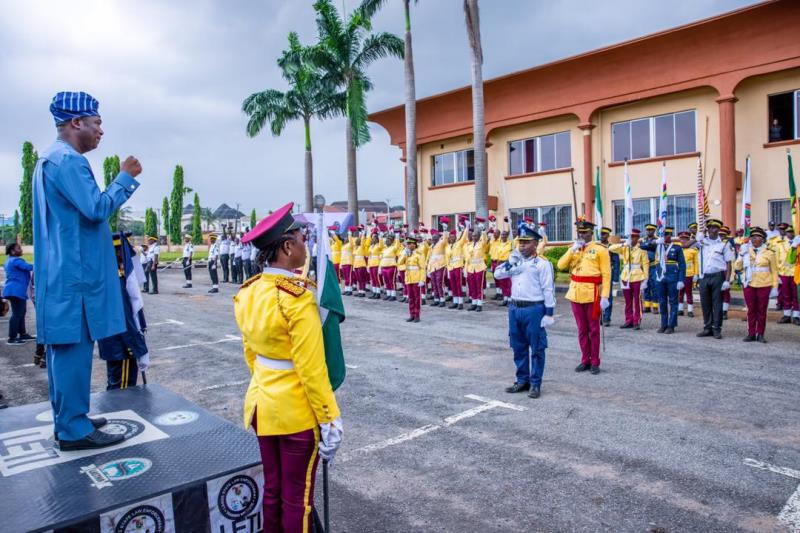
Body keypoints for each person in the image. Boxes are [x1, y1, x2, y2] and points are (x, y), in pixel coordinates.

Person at [33, 91, 142, 450]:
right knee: (72, 352)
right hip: (74, 277)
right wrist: (124, 178)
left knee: (66, 353)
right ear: (76, 123)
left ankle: (70, 416)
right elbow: (96, 209)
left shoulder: (51, 158)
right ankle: (73, 429)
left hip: (63, 273)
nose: (100, 130)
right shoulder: (68, 160)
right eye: (96, 122)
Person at [233, 202, 342, 531]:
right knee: (298, 499)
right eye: (300, 236)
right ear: (286, 246)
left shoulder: (248, 292)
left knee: (274, 490)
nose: (306, 243)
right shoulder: (296, 299)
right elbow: (311, 368)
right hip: (295, 412)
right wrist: (329, 417)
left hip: (262, 406)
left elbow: (251, 354)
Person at [495, 222, 555, 399]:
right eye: (520, 242)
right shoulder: (515, 261)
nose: (521, 245)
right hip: (515, 308)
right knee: (518, 346)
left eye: (526, 242)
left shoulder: (542, 264)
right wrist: (509, 264)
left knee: (537, 348)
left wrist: (549, 313)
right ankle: (522, 380)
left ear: (535, 243)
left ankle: (535, 383)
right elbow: (498, 275)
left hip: (533, 308)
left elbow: (548, 289)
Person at [557, 219, 610, 375]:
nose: (582, 234)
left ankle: (595, 361)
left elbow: (606, 274)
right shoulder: (574, 248)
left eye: (585, 232)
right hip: (575, 293)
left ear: (591, 233)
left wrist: (605, 296)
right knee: (581, 329)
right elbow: (560, 265)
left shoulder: (600, 249)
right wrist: (572, 249)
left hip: (593, 293)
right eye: (580, 232)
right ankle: (585, 359)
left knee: (593, 329)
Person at [98, 233, 149, 389]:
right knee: (123, 389)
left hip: (112, 343)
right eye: (124, 251)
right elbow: (125, 317)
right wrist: (136, 346)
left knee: (114, 384)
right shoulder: (118, 280)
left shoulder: (105, 275)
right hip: (122, 344)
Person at [736, 227, 779, 342]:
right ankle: (751, 333)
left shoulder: (769, 253)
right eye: (753, 237)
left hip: (764, 284)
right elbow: (737, 267)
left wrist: (775, 286)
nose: (755, 239)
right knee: (751, 310)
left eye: (758, 236)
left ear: (763, 239)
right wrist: (740, 255)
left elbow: (774, 270)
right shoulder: (745, 250)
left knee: (762, 310)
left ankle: (760, 333)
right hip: (749, 284)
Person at [695, 219, 734, 339]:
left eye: (715, 228)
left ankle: (717, 329)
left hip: (718, 276)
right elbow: (685, 245)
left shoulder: (724, 244)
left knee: (717, 304)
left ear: (718, 230)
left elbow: (728, 263)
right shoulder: (702, 242)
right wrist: (696, 238)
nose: (713, 230)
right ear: (707, 229)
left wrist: (727, 280)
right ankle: (707, 328)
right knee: (705, 304)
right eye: (711, 228)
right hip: (704, 276)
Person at [609, 228, 649, 330]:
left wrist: (646, 279)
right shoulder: (625, 247)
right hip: (626, 276)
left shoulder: (641, 249)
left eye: (634, 237)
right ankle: (629, 320)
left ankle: (637, 321)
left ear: (638, 238)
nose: (632, 239)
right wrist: (623, 244)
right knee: (628, 301)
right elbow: (611, 248)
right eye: (631, 237)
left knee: (637, 300)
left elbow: (645, 264)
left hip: (637, 276)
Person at [653, 227, 686, 334]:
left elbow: (682, 264)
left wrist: (681, 280)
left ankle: (671, 325)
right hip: (660, 277)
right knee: (662, 302)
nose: (665, 236)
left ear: (670, 235)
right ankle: (663, 324)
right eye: (663, 235)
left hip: (673, 277)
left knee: (673, 302)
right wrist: (655, 241)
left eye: (667, 234)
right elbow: (644, 246)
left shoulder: (677, 247)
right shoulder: (657, 246)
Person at [3, 242, 35, 345]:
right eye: (18, 248)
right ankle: (12, 338)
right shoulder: (16, 261)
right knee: (17, 314)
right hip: (15, 291)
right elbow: (30, 267)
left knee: (21, 313)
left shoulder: (9, 261)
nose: (21, 249)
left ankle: (23, 334)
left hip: (14, 290)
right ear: (12, 251)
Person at [776, 225, 799, 324]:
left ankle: (797, 316)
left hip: (795, 273)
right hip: (784, 273)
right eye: (788, 232)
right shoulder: (780, 244)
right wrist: (777, 274)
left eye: (792, 232)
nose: (790, 234)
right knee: (785, 295)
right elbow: (777, 259)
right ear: (786, 233)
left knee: (796, 295)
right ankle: (786, 315)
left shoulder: (798, 244)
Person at [464, 222, 489, 311]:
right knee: (472, 286)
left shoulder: (481, 244)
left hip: (479, 268)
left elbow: (485, 239)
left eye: (475, 236)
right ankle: (473, 303)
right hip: (471, 268)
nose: (474, 237)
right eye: (473, 236)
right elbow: (467, 258)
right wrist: (465, 269)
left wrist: (483, 231)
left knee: (479, 287)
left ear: (478, 236)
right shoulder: (469, 245)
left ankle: (479, 304)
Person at [598, 227, 619, 326]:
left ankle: (607, 318)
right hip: (597, 274)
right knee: (597, 297)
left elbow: (616, 263)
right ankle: (599, 317)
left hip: (608, 274)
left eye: (604, 234)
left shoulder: (611, 247)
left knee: (607, 296)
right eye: (601, 234)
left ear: (608, 236)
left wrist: (615, 278)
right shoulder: (596, 246)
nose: (602, 236)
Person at [446, 227, 469, 310]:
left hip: (458, 266)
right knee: (453, 285)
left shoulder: (459, 243)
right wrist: (448, 270)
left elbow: (464, 236)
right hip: (451, 267)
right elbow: (447, 259)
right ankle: (455, 302)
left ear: (456, 238)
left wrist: (466, 228)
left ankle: (460, 302)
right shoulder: (447, 247)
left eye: (453, 237)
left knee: (458, 284)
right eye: (450, 237)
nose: (451, 238)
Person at [404, 236, 426, 322]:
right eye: (408, 244)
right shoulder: (408, 254)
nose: (408, 245)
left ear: (414, 244)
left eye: (410, 244)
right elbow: (400, 262)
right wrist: (405, 254)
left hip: (417, 278)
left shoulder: (419, 254)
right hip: (409, 278)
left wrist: (422, 279)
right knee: (410, 298)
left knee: (417, 298)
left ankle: (417, 315)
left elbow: (422, 268)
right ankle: (411, 314)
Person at [639, 224, 660, 314]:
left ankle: (655, 306)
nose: (649, 231)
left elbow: (649, 247)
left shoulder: (657, 239)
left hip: (653, 265)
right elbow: (641, 247)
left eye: (651, 230)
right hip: (644, 266)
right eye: (647, 230)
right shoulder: (643, 240)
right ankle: (647, 305)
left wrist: (646, 245)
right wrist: (647, 245)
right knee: (645, 285)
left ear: (654, 231)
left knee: (655, 285)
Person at [678, 231, 699, 317]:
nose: (683, 240)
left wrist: (696, 274)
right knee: (680, 292)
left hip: (689, 274)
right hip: (680, 274)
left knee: (688, 292)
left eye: (685, 239)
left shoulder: (693, 251)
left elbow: (696, 263)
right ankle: (680, 309)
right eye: (682, 239)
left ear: (688, 240)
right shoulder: (678, 249)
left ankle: (690, 310)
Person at [490, 229, 513, 306]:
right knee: (502, 282)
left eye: (504, 235)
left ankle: (510, 300)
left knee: (508, 282)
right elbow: (496, 255)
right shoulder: (499, 245)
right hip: (499, 264)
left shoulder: (510, 244)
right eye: (502, 235)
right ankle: (505, 299)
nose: (503, 236)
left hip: (507, 264)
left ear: (507, 236)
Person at [427, 228, 448, 307]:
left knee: (439, 283)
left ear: (439, 238)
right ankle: (436, 299)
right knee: (434, 284)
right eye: (433, 238)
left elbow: (445, 239)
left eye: (435, 238)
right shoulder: (431, 246)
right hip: (432, 267)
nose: (434, 239)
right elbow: (430, 258)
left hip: (440, 266)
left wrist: (445, 230)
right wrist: (428, 269)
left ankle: (442, 300)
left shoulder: (441, 243)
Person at [379, 233, 402, 301]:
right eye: (386, 240)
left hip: (391, 266)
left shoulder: (393, 247)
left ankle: (393, 295)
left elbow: (397, 246)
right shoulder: (384, 249)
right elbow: (381, 257)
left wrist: (397, 238)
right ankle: (388, 294)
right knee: (386, 281)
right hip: (384, 266)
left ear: (392, 242)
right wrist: (380, 268)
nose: (387, 241)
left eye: (388, 240)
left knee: (391, 281)